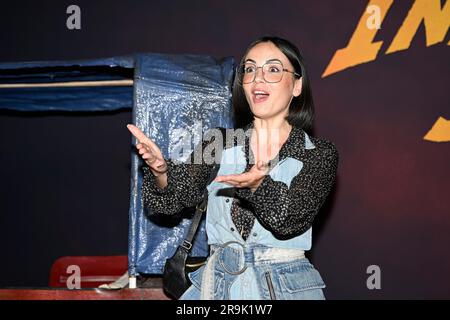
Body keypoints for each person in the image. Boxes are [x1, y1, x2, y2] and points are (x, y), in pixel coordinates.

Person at [127, 36, 338, 300]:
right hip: (218, 287)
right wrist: (160, 171)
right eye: (250, 69)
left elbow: (291, 218)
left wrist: (259, 186)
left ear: (297, 85)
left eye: (273, 69)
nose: (258, 78)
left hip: (286, 288)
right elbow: (172, 200)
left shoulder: (317, 153)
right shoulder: (218, 142)